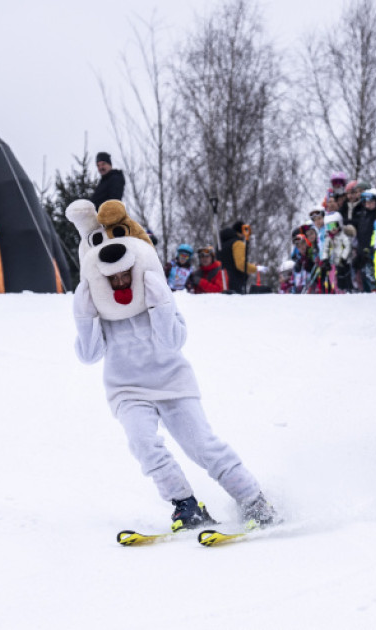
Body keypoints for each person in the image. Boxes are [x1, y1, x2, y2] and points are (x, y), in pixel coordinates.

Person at [67, 199, 276, 532]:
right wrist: (85, 317)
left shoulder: (153, 293)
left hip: (173, 383)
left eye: (125, 273)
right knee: (143, 444)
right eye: (112, 276)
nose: (120, 279)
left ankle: (254, 500)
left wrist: (160, 303)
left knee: (203, 446)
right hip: (127, 389)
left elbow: (173, 341)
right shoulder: (102, 307)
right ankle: (185, 504)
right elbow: (89, 355)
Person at [219, 220, 262, 294]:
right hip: (235, 282)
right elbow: (241, 265)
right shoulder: (238, 244)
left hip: (222, 281)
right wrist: (255, 268)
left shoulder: (221, 245)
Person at [352, 188, 376, 291]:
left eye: (371, 202)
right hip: (363, 250)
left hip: (374, 250)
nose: (368, 204)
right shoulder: (363, 215)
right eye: (366, 202)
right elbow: (361, 234)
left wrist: (371, 249)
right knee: (365, 277)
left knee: (373, 276)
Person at [322, 211, 353, 293]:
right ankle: (338, 291)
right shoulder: (328, 238)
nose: (333, 229)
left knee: (345, 275)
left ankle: (348, 289)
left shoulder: (342, 236)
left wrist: (344, 257)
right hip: (333, 262)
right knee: (335, 278)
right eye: (329, 226)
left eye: (334, 225)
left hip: (343, 261)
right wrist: (325, 260)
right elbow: (325, 249)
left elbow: (348, 246)